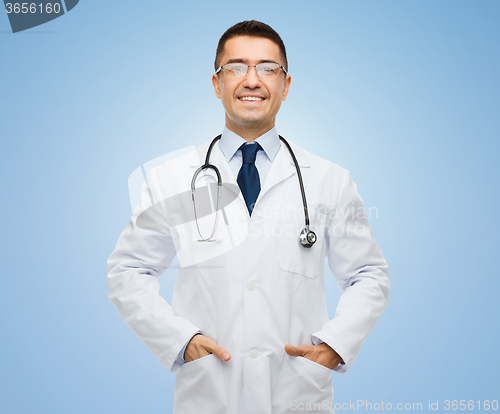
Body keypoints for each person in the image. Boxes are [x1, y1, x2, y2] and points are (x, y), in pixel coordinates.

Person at [107, 20, 390, 414]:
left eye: (268, 68)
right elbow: (127, 271)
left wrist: (333, 347)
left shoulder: (329, 180)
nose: (252, 80)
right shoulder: (171, 179)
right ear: (216, 83)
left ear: (286, 85)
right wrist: (180, 340)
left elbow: (369, 276)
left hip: (297, 391)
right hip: (209, 393)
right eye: (237, 67)